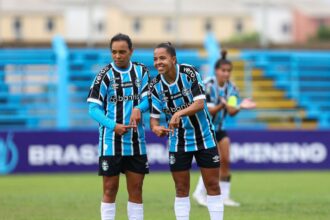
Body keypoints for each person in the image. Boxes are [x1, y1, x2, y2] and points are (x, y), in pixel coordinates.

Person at [149, 42, 224, 220]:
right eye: (155, 59)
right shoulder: (155, 86)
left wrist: (178, 113)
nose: (158, 62)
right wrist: (155, 127)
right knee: (181, 188)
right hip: (178, 141)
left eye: (162, 58)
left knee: (212, 184)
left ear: (173, 59)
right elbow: (154, 118)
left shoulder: (188, 73)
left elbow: (200, 103)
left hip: (204, 136)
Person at [87, 33, 150, 220]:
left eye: (122, 52)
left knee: (136, 189)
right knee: (110, 188)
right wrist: (113, 125)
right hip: (111, 140)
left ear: (131, 51)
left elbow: (149, 98)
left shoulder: (141, 71)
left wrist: (139, 107)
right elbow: (93, 108)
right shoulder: (104, 75)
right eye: (114, 52)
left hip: (136, 141)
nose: (117, 56)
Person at [193, 50, 256, 207]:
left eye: (228, 71)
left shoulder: (233, 89)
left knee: (226, 160)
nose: (226, 73)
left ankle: (225, 196)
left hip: (220, 128)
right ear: (216, 71)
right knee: (214, 162)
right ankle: (199, 192)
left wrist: (240, 106)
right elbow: (207, 110)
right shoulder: (207, 85)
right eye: (223, 70)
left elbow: (232, 111)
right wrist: (223, 104)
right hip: (206, 128)